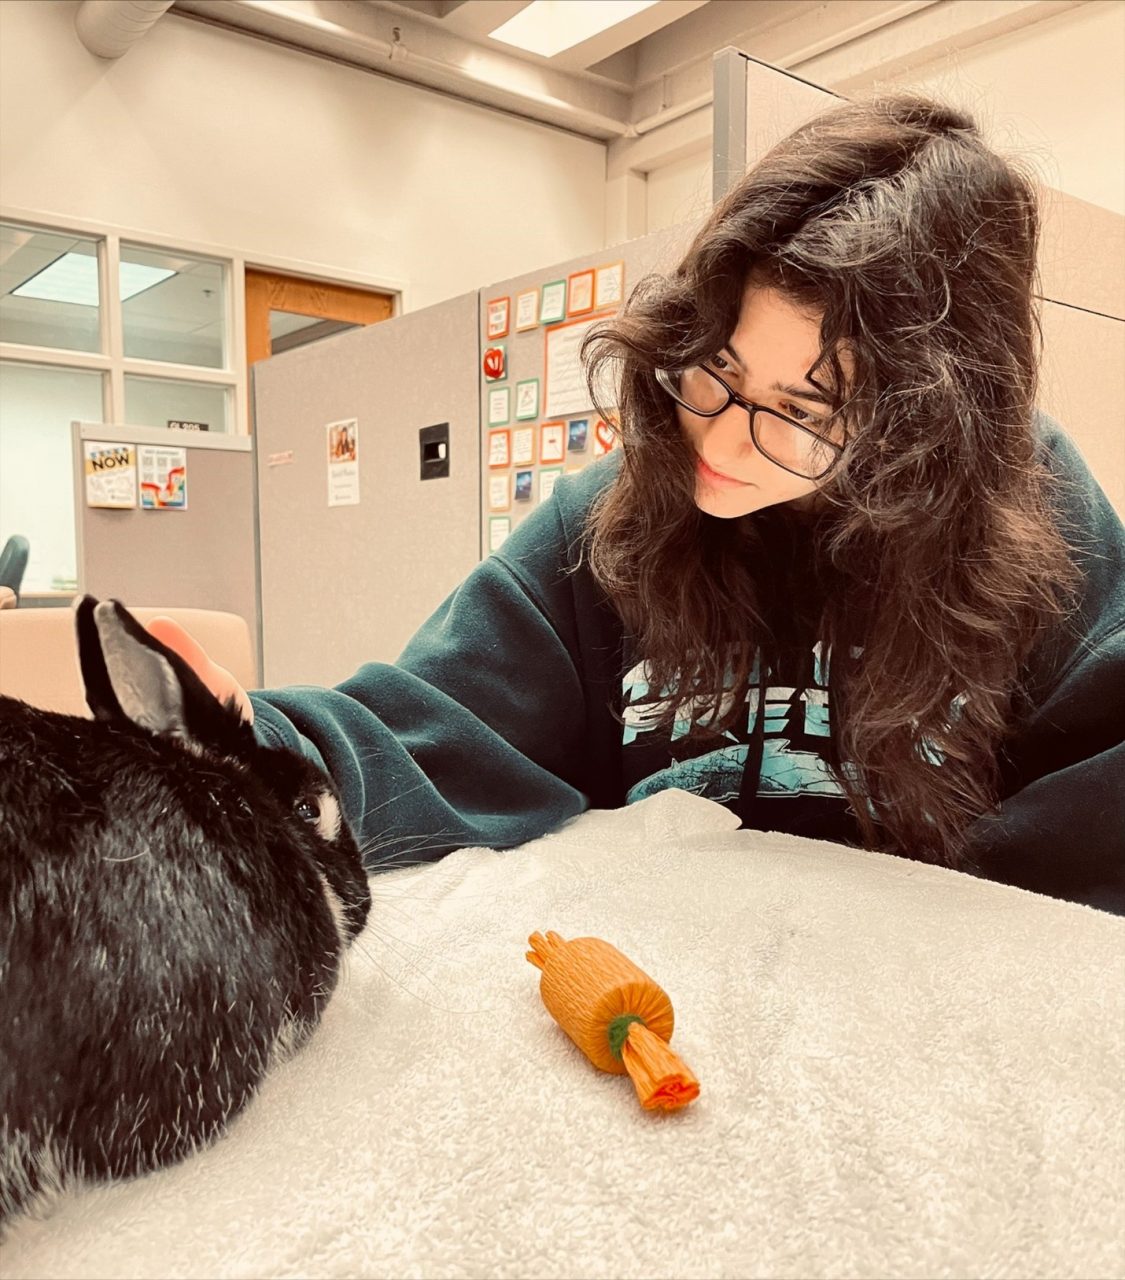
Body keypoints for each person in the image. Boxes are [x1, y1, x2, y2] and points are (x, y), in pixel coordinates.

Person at [151, 93, 1124, 910]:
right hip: (663, 1006)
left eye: (802, 409)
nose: (723, 434)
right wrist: (252, 744)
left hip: (915, 1034)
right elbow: (429, 730)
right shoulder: (607, 518)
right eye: (717, 365)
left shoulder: (1035, 514)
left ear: (925, 430)